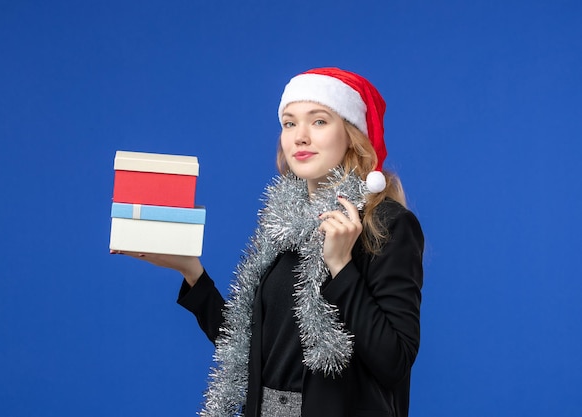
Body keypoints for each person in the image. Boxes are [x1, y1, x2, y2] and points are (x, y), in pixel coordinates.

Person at [113, 67, 424, 417]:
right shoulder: (283, 227)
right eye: (290, 123)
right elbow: (249, 351)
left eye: (318, 121)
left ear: (351, 135)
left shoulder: (387, 226)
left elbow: (393, 361)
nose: (300, 137)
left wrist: (341, 267)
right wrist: (193, 274)